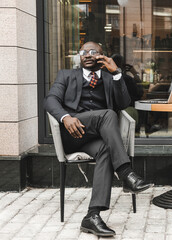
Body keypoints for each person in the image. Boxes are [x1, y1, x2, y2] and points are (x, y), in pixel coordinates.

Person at [44, 41, 153, 237]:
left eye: (93, 52)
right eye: (83, 52)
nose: (87, 54)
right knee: (108, 114)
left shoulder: (111, 78)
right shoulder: (66, 75)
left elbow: (125, 103)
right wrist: (66, 117)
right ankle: (126, 173)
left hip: (95, 139)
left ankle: (92, 216)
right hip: (73, 135)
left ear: (102, 57)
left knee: (105, 150)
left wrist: (118, 73)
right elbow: (50, 100)